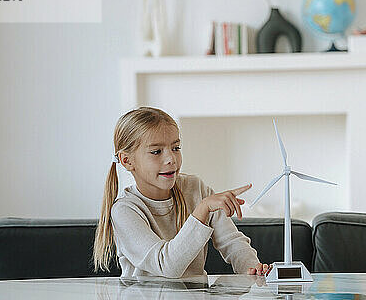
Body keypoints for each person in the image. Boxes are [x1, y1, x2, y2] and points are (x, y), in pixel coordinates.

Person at [93, 107, 272, 278]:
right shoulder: (125, 210)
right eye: (156, 152)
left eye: (176, 148)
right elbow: (167, 266)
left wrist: (252, 268)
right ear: (127, 161)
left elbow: (232, 242)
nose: (171, 159)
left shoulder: (195, 188)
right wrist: (202, 209)